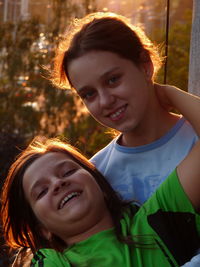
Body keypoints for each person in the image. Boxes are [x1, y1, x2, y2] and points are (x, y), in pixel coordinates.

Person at [1, 86, 200, 267]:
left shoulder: (155, 221)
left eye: (68, 171)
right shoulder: (53, 264)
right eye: (42, 191)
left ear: (99, 182)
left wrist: (165, 93)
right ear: (41, 228)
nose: (58, 183)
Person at [51, 12, 198, 204]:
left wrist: (171, 93)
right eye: (89, 94)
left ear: (145, 65)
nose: (104, 101)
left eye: (113, 80)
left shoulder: (195, 135)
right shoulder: (98, 176)